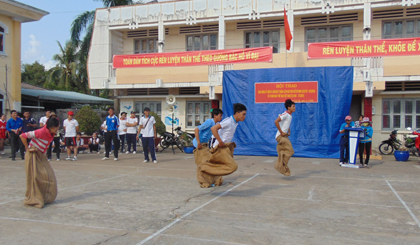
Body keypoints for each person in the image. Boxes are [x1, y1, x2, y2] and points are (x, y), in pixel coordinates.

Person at [196, 103, 247, 188]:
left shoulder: (235, 123)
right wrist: (220, 142)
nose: (244, 116)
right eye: (243, 114)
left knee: (221, 165)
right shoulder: (228, 121)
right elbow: (213, 129)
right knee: (232, 166)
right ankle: (204, 167)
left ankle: (213, 178)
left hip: (224, 147)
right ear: (237, 113)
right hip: (218, 147)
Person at [20, 117, 60, 208]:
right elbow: (22, 136)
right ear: (52, 127)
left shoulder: (51, 134)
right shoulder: (40, 132)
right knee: (34, 177)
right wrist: (27, 148)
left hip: (41, 156)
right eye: (57, 127)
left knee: (49, 176)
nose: (58, 129)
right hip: (33, 155)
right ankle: (35, 198)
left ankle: (45, 197)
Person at [274, 99, 296, 176]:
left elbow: (286, 124)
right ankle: (280, 165)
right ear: (288, 107)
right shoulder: (285, 114)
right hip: (280, 136)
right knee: (291, 151)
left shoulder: (289, 115)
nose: (294, 108)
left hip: (284, 136)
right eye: (293, 106)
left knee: (290, 151)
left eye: (294, 106)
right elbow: (276, 121)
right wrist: (281, 132)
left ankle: (279, 163)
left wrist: (288, 131)